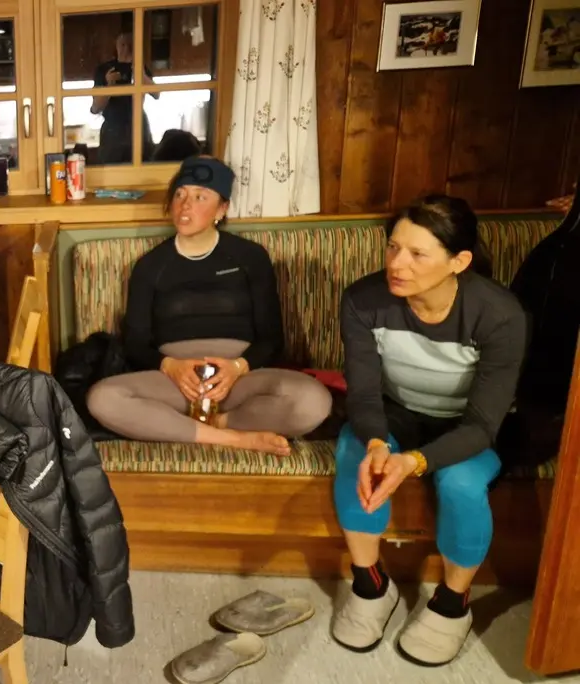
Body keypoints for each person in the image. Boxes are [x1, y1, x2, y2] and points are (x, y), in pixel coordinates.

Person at [330, 195, 527, 666]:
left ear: (458, 261)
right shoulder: (362, 299)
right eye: (393, 247)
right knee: (355, 455)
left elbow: (483, 423)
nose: (398, 264)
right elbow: (363, 393)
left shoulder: (499, 315)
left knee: (459, 482)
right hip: (396, 412)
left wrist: (415, 461)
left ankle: (453, 602)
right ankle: (370, 584)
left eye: (418, 254)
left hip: (468, 424)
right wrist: (379, 444)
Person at [86, 157, 332, 455]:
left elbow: (271, 339)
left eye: (200, 197)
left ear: (222, 208)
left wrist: (237, 368)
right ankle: (234, 438)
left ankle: (222, 421)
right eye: (180, 194)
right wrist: (171, 366)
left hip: (238, 381)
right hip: (175, 383)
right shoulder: (150, 266)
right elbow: (136, 344)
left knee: (313, 400)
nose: (185, 205)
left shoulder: (250, 257)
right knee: (102, 398)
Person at [91, 32, 158, 164]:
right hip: (113, 129)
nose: (126, 49)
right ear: (116, 46)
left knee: (143, 169)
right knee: (111, 171)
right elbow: (96, 108)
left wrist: (140, 72)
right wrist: (109, 85)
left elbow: (156, 94)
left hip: (138, 126)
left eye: (130, 45)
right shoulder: (104, 70)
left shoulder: (140, 67)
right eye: (122, 44)